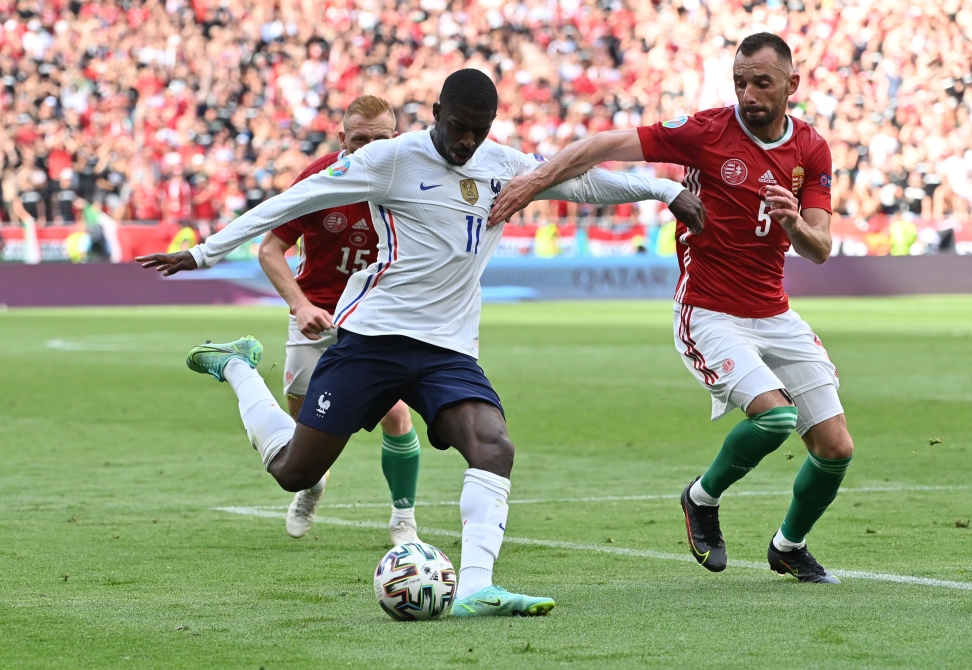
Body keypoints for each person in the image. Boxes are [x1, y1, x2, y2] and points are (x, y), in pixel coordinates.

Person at [137, 68, 704, 616]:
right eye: (457, 126)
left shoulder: (501, 162)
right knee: (295, 473)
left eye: (477, 130)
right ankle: (238, 368)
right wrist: (205, 251)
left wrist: (659, 188)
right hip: (373, 339)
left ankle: (476, 589)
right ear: (436, 113)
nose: (465, 140)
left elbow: (580, 181)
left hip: (448, 349)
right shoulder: (390, 159)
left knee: (493, 447)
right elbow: (293, 202)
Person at [490, 33, 853, 584]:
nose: (748, 94)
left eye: (762, 83)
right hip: (710, 311)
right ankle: (701, 500)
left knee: (835, 448)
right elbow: (606, 144)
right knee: (775, 417)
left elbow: (820, 249)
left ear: (792, 86)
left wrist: (794, 223)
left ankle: (788, 545)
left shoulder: (812, 149)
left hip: (775, 312)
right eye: (740, 83)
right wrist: (537, 179)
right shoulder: (708, 131)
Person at [256, 95, 424, 543]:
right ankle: (313, 485)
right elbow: (270, 249)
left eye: (381, 139)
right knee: (304, 431)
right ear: (342, 138)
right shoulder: (319, 179)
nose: (370, 148)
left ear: (397, 138)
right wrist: (300, 305)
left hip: (377, 315)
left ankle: (403, 518)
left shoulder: (413, 179)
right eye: (360, 139)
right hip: (317, 313)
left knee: (395, 412)